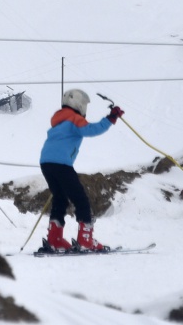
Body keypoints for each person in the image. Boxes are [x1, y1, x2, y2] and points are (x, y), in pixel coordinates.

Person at [39, 88, 123, 252]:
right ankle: (85, 240)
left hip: (46, 163)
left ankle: (54, 239)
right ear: (78, 104)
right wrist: (111, 118)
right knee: (80, 199)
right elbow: (91, 130)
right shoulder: (73, 119)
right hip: (62, 164)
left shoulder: (59, 121)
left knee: (60, 199)